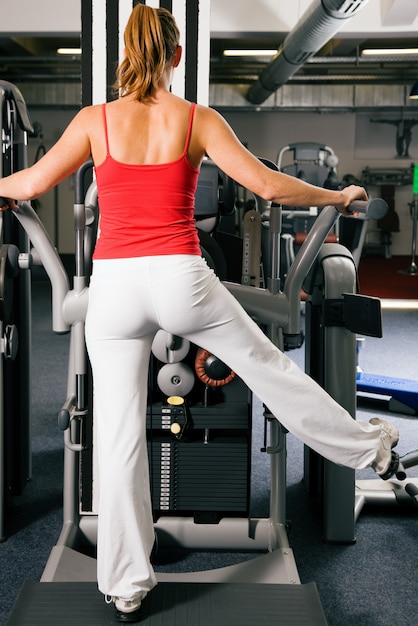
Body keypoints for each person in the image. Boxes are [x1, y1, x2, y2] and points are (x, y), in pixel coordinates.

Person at [0, 5, 400, 623]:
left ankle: (129, 587)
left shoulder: (93, 121)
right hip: (181, 276)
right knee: (269, 370)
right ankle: (367, 446)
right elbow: (268, 187)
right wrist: (337, 194)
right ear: (177, 56)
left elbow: (26, 185)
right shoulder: (196, 120)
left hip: (114, 287)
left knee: (121, 437)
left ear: (123, 53)